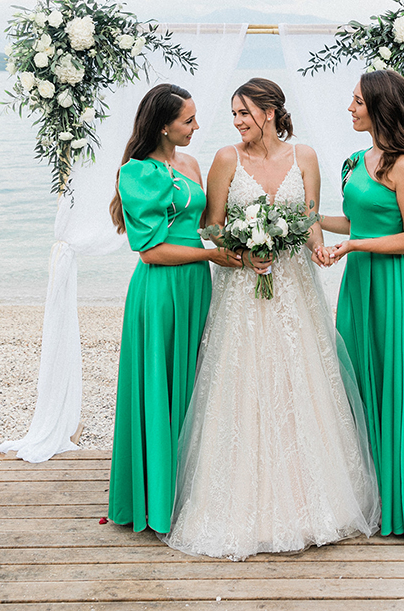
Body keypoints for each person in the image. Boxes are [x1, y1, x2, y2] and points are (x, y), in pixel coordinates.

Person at [165, 78, 380, 561]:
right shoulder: (225, 159)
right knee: (240, 384)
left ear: (269, 111)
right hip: (243, 287)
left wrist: (320, 247)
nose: (238, 121)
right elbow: (211, 225)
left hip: (295, 288)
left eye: (245, 112)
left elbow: (308, 220)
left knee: (299, 381)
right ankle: (237, 506)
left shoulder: (304, 157)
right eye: (234, 113)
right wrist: (242, 247)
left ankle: (312, 504)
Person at [107, 84, 241, 534]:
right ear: (163, 125)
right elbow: (150, 250)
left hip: (196, 287)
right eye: (188, 120)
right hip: (162, 289)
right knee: (160, 384)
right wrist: (211, 256)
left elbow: (205, 225)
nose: (196, 126)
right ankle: (155, 500)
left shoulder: (191, 164)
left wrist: (252, 240)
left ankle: (188, 491)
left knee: (195, 384)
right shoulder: (137, 172)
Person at [320, 69, 404, 538]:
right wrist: (305, 220)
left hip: (393, 287)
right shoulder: (355, 160)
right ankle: (366, 496)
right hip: (359, 284)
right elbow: (355, 221)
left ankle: (399, 502)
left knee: (394, 382)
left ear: (380, 106)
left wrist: (354, 247)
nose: (349, 109)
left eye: (356, 102)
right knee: (356, 381)